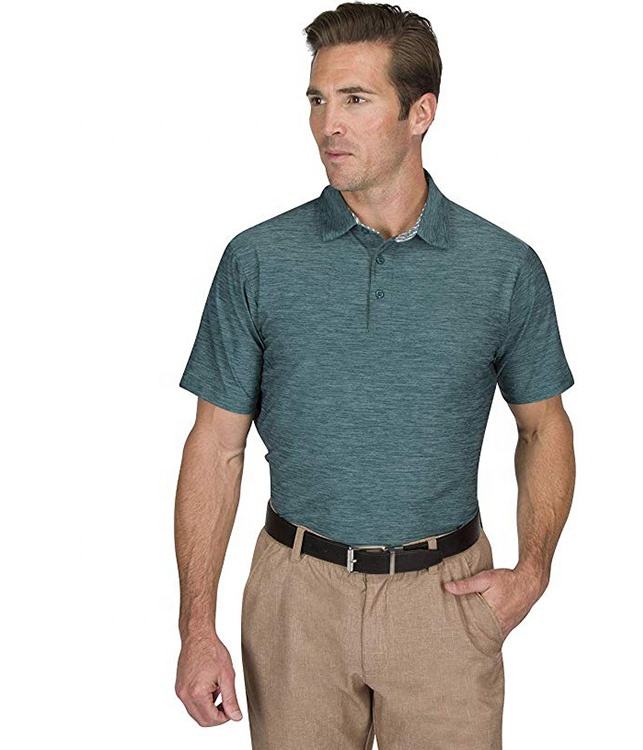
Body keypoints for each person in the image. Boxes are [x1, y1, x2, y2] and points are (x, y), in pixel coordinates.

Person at [173, 3, 576, 748]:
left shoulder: (503, 267)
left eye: (355, 100)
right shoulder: (257, 260)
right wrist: (197, 628)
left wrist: (533, 572)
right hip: (295, 599)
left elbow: (543, 427)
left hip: (446, 599)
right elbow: (215, 447)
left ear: (421, 112)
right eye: (317, 100)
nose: (328, 124)